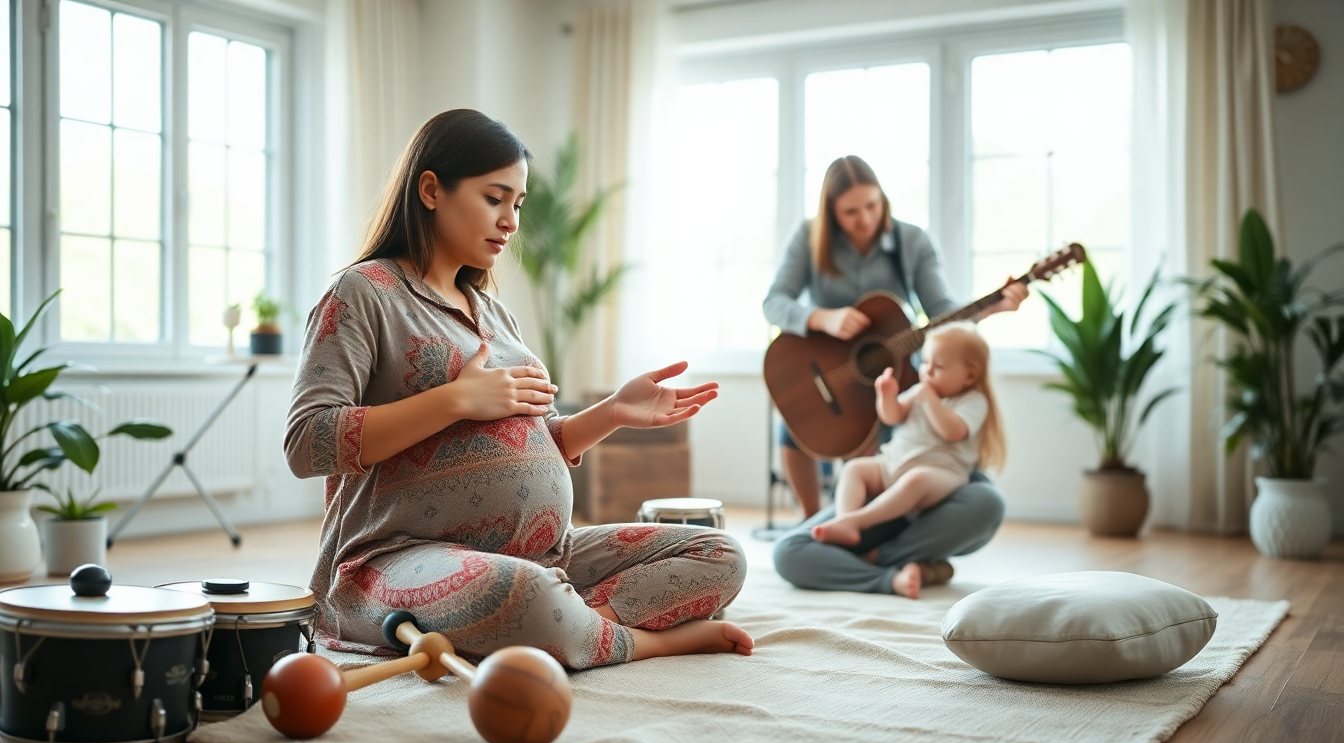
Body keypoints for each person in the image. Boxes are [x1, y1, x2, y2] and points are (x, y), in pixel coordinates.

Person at [285, 109, 752, 670]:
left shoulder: (493, 312)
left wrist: (611, 413)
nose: (511, 221)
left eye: (519, 204)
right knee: (526, 597)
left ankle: (571, 627)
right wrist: (455, 399)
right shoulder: (365, 293)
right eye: (494, 198)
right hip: (399, 558)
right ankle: (643, 640)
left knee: (718, 552)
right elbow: (306, 442)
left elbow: (524, 442)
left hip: (543, 553)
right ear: (431, 189)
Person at [764, 155, 1024, 597]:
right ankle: (882, 558)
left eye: (872, 206)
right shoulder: (809, 239)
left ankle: (867, 555)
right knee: (791, 540)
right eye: (850, 211)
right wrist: (822, 319)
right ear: (830, 212)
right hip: (843, 390)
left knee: (986, 503)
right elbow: (775, 302)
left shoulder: (911, 241)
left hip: (903, 409)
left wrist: (993, 308)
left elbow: (944, 314)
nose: (864, 219)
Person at [810, 324, 1005, 598]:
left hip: (941, 473)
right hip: (894, 464)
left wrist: (930, 401)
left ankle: (859, 521)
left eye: (938, 367)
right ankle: (846, 524)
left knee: (916, 479)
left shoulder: (973, 400)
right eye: (925, 362)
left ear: (970, 375)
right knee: (855, 469)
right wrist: (886, 395)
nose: (927, 371)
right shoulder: (921, 390)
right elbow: (892, 416)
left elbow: (953, 431)